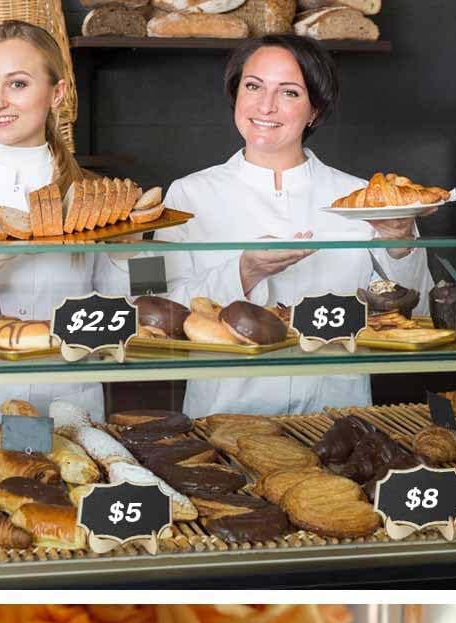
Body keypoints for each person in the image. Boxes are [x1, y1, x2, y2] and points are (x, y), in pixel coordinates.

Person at [155, 34, 435, 417]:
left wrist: (400, 241)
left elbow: (415, 313)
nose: (265, 105)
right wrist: (244, 271)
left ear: (315, 110)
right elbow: (161, 315)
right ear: (236, 94)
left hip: (337, 414)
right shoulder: (187, 196)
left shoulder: (360, 198)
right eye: (253, 86)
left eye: (289, 93)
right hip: (223, 416)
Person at [0, 20, 131, 421]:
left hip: (70, 404)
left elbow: (136, 307)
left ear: (58, 93)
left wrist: (133, 252)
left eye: (17, 84)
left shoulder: (94, 194)